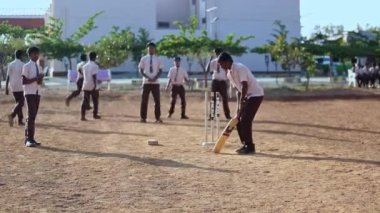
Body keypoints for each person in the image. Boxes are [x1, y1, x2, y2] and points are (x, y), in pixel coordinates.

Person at [218, 52, 264, 154]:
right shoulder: (229, 74)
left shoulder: (240, 68)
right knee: (238, 120)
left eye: (221, 63)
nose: (220, 66)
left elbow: (244, 85)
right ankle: (245, 145)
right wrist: (238, 108)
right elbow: (238, 91)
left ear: (227, 61)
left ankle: (250, 146)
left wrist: (243, 101)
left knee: (246, 120)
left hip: (256, 95)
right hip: (247, 96)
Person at [22, 47, 44, 147]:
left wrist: (40, 79)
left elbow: (39, 82)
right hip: (29, 92)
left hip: (37, 92)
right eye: (34, 54)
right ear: (29, 55)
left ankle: (31, 138)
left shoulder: (39, 67)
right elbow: (24, 81)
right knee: (31, 115)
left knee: (33, 116)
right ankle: (28, 139)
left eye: (37, 54)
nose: (36, 55)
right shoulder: (26, 66)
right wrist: (36, 78)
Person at [139, 42, 163, 123]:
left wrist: (155, 78)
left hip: (155, 83)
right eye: (149, 48)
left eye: (152, 48)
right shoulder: (143, 59)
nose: (151, 49)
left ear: (154, 49)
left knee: (157, 101)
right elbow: (141, 70)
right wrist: (147, 77)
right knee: (144, 100)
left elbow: (160, 70)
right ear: (147, 49)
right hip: (146, 82)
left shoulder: (158, 59)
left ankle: (157, 118)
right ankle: (143, 118)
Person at [206, 48, 231, 119]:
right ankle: (212, 115)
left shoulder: (225, 61)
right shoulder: (213, 62)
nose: (217, 54)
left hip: (223, 81)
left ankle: (227, 115)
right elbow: (209, 71)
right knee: (214, 98)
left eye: (218, 53)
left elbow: (227, 70)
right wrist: (210, 59)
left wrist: (228, 79)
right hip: (215, 81)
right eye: (216, 53)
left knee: (225, 98)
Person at [5, 50, 25, 127]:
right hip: (20, 86)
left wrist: (6, 87)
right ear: (21, 56)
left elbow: (8, 76)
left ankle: (20, 120)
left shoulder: (10, 64)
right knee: (21, 103)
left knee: (18, 102)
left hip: (13, 86)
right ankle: (12, 115)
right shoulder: (23, 65)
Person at [81, 51, 101, 121]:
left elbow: (85, 75)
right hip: (92, 85)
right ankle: (95, 114)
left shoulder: (84, 66)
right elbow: (94, 76)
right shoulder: (95, 66)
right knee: (95, 100)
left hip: (86, 84)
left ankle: (82, 116)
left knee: (85, 101)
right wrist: (96, 85)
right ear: (95, 57)